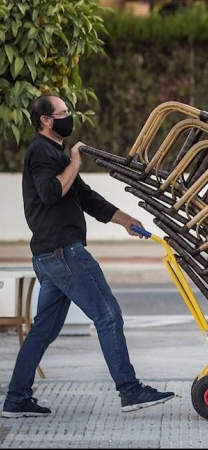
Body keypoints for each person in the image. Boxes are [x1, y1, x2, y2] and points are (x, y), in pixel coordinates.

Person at [2, 95, 174, 418]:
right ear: (45, 121)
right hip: (64, 252)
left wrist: (125, 220)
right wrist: (76, 162)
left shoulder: (54, 153)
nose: (70, 117)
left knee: (44, 330)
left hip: (50, 256)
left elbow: (86, 198)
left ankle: (16, 398)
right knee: (108, 314)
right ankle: (130, 389)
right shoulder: (41, 152)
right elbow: (51, 192)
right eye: (63, 113)